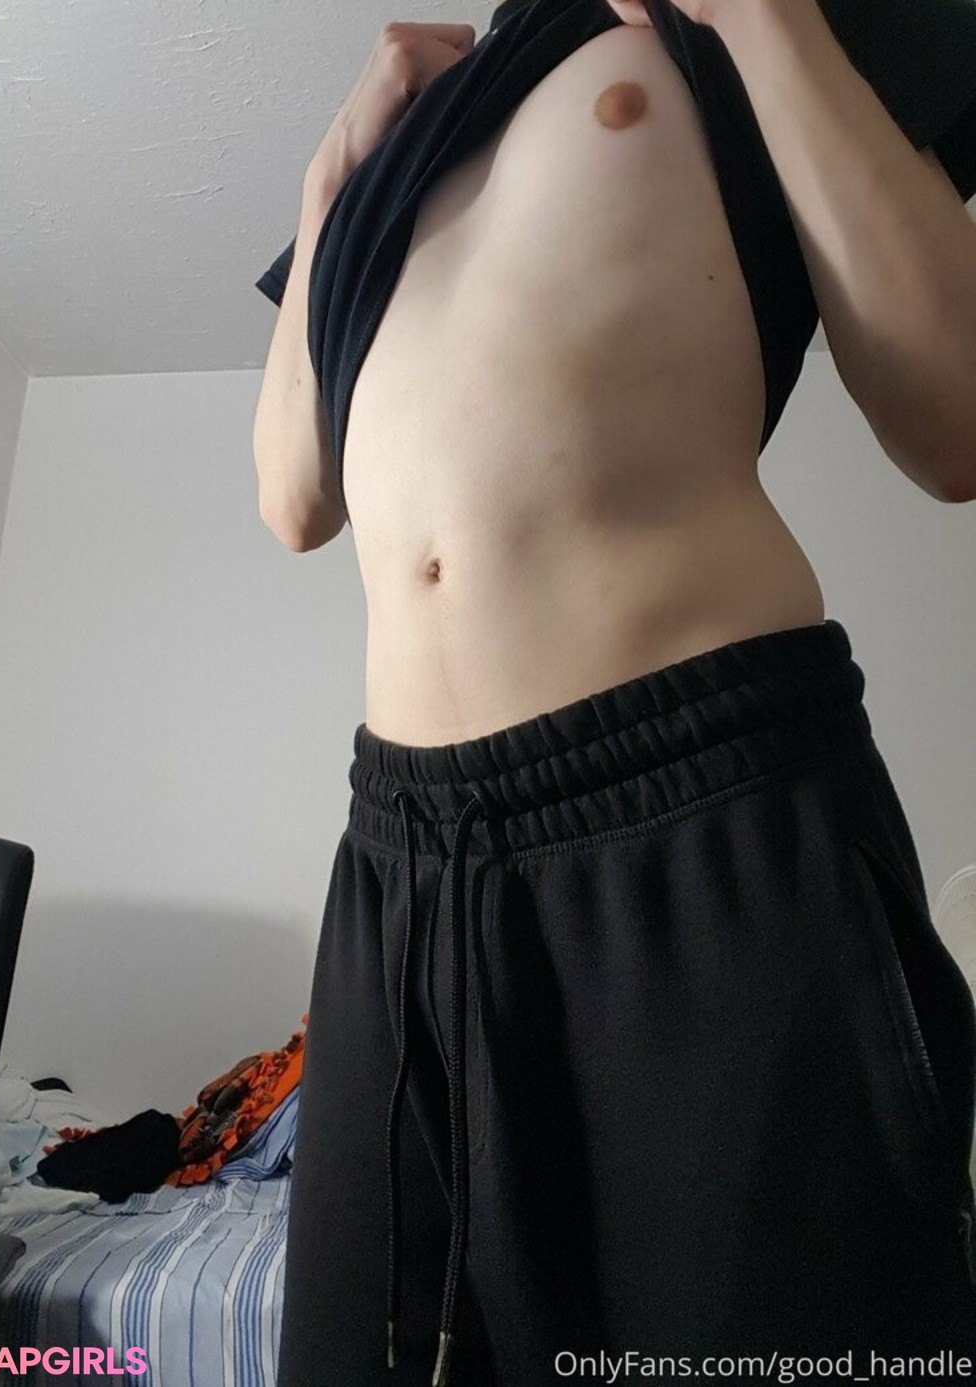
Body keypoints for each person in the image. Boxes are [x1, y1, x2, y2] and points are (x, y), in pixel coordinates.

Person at [253, 0, 976, 1381]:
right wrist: (335, 166)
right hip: (402, 859)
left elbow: (958, 421)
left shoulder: (767, 23)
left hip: (696, 810)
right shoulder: (413, 129)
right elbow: (294, 492)